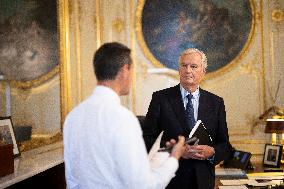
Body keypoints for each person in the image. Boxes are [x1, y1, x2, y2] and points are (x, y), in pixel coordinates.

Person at [63, 42, 186, 189]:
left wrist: (163, 156)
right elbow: (143, 186)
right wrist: (174, 159)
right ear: (125, 70)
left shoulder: (72, 117)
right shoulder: (123, 119)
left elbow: (71, 179)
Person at [143, 48, 230, 189]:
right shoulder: (160, 99)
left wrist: (212, 152)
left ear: (203, 71)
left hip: (203, 181)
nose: (188, 70)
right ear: (179, 70)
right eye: (184, 66)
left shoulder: (216, 103)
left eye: (194, 66)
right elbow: (147, 140)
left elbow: (225, 145)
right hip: (171, 179)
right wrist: (177, 150)